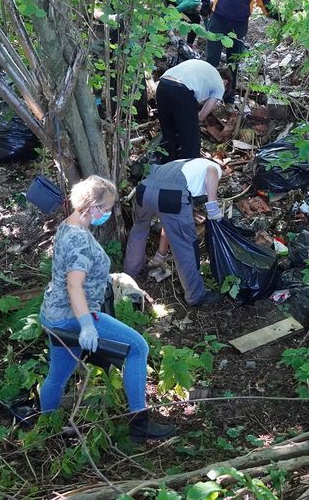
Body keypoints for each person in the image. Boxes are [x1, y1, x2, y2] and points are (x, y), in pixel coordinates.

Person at [38, 176, 174, 441]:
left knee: (58, 374)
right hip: (73, 317)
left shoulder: (70, 225)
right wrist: (87, 324)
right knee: (137, 348)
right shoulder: (78, 240)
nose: (109, 213)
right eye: (107, 208)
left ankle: (45, 429)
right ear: (91, 206)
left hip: (53, 314)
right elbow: (74, 285)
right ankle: (139, 423)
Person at [123, 158, 225, 307]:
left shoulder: (183, 163)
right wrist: (213, 207)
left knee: (138, 230)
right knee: (185, 245)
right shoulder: (212, 166)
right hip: (171, 196)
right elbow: (211, 171)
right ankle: (196, 296)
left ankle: (128, 274)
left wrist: (161, 254)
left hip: (144, 190)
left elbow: (168, 224)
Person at [200, 0, 277, 102]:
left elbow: (263, 0)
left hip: (240, 23)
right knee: (212, 57)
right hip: (219, 18)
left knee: (234, 60)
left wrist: (277, 15)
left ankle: (228, 96)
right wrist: (204, 1)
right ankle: (205, 94)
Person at [155, 59, 225, 161]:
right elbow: (201, 116)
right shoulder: (220, 85)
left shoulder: (205, 68)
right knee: (191, 141)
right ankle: (189, 170)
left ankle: (167, 168)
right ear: (226, 81)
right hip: (181, 90)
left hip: (163, 85)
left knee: (168, 134)